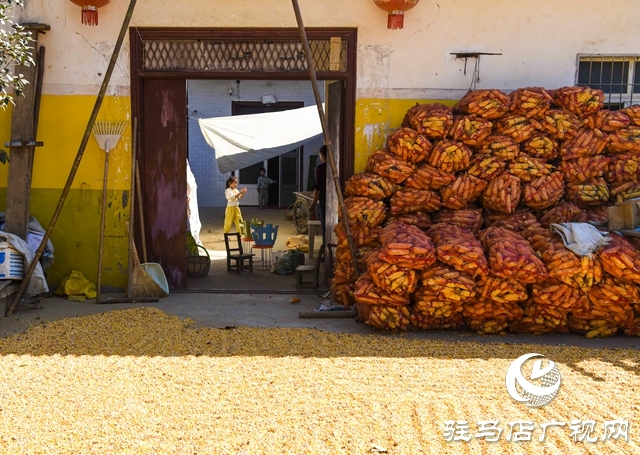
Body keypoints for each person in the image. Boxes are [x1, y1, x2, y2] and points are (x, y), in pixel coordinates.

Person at [309, 145, 327, 242]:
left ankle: (325, 246)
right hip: (336, 198)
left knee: (325, 224)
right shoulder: (336, 167)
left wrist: (314, 202)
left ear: (322, 155)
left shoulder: (321, 168)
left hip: (324, 198)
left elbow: (318, 186)